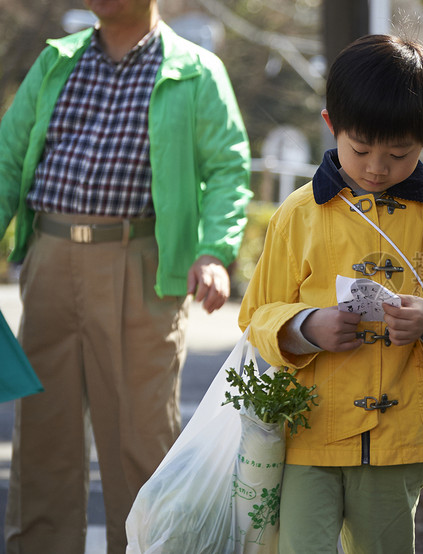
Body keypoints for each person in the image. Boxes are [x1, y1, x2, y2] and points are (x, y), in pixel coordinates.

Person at [0, 0, 252, 551]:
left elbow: (228, 169)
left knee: (140, 441)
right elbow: (7, 157)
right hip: (49, 256)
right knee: (44, 436)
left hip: (142, 264)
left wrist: (213, 251)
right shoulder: (56, 62)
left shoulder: (196, 70)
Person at [238, 34, 423, 553]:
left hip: (400, 432)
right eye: (360, 149)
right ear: (331, 125)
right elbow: (256, 314)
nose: (377, 167)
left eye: (398, 153)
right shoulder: (298, 213)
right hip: (307, 427)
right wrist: (305, 326)